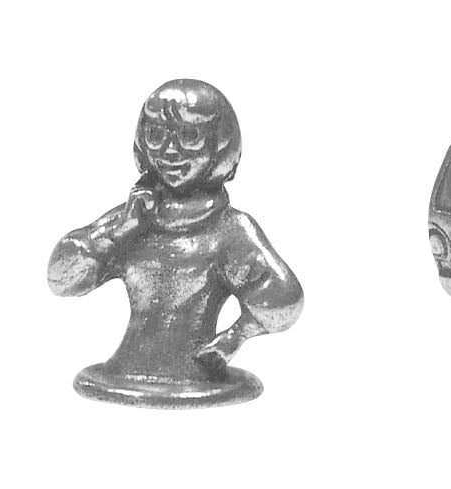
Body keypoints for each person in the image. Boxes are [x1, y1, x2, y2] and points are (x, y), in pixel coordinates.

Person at [48, 79, 303, 409]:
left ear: (220, 144)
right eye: (156, 135)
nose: (169, 151)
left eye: (189, 136)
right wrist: (120, 233)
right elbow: (61, 279)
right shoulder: (135, 219)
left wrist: (236, 335)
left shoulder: (229, 231)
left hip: (198, 381)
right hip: (120, 375)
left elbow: (284, 298)